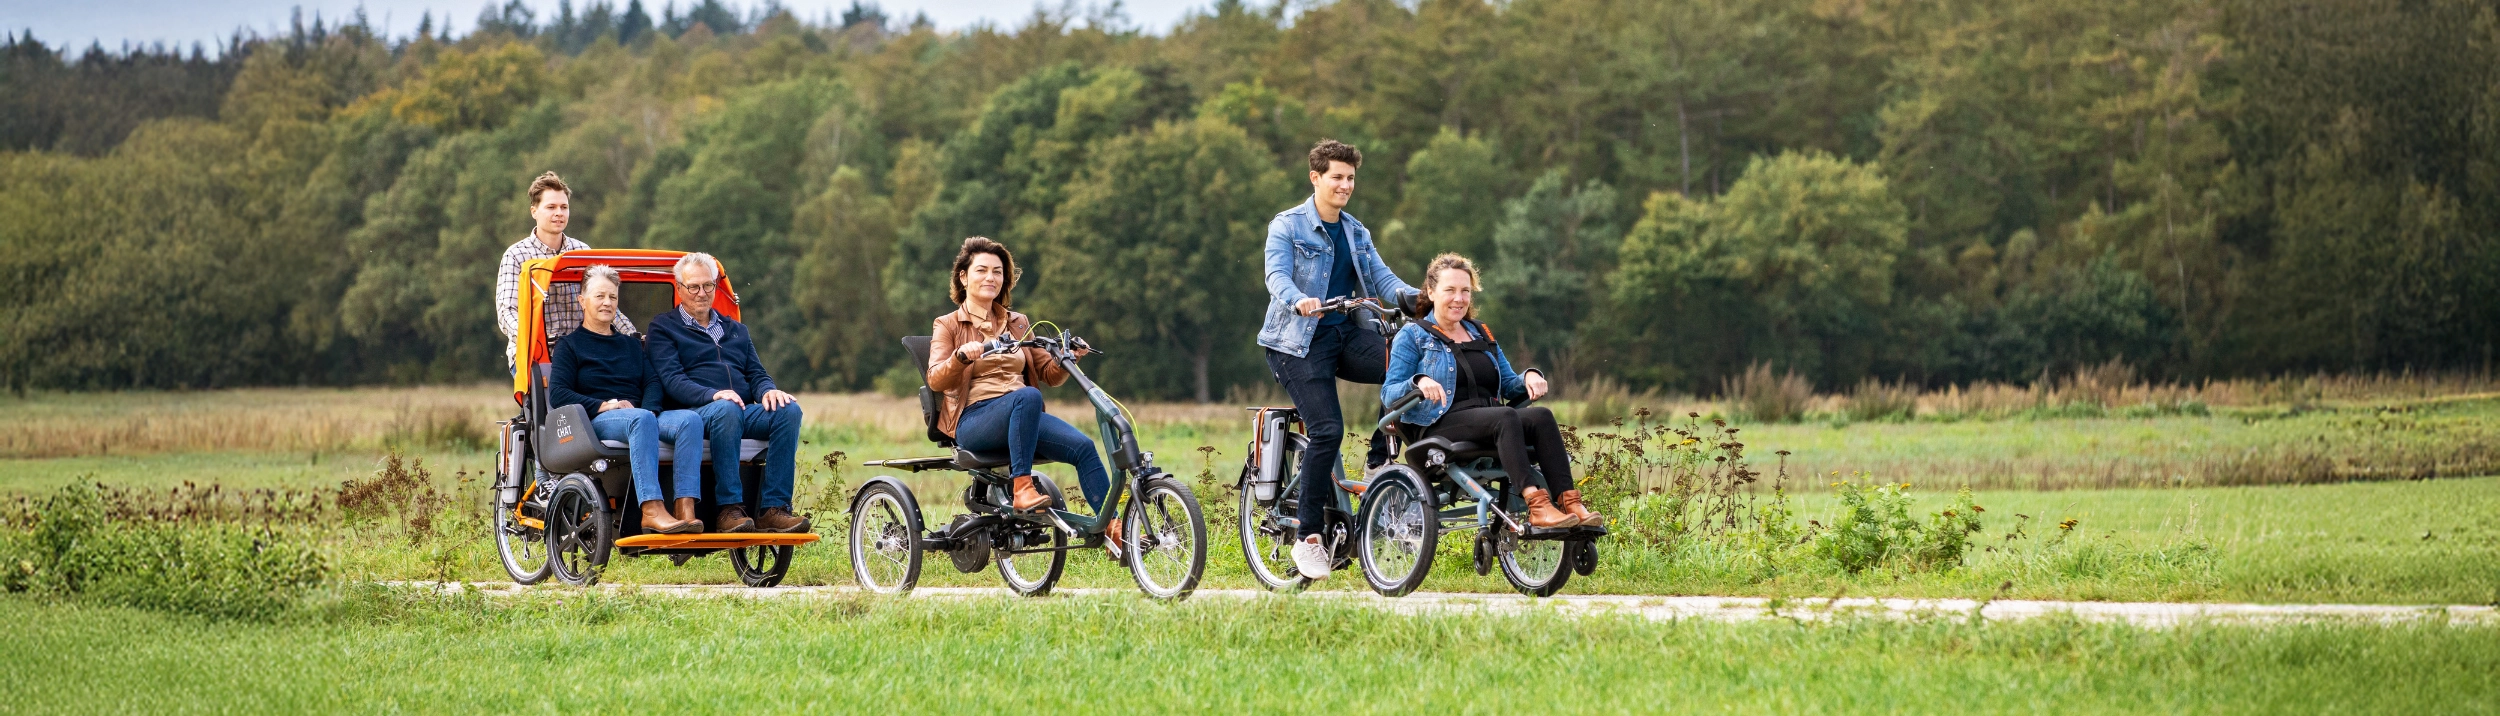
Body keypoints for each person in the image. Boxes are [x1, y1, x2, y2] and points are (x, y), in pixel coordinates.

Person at [1258, 139, 1418, 581]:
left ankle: (1379, 457)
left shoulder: (1356, 231)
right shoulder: (1287, 226)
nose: (1345, 185)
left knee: (1408, 368)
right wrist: (1299, 300)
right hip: (1296, 342)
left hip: (1347, 334)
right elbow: (1276, 276)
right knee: (1327, 429)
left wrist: (1416, 299)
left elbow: (1383, 277)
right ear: (1316, 177)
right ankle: (1307, 538)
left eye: (1350, 178)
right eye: (1337, 177)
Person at [1382, 254, 1604, 531]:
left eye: (1465, 291)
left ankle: (1571, 503)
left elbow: (1509, 383)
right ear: (1431, 292)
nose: (1459, 299)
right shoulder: (1413, 335)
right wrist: (1418, 381)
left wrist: (1530, 376)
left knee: (1542, 417)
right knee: (1506, 417)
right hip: (1439, 424)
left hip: (1488, 419)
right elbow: (1389, 395)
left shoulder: (1480, 333)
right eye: (1450, 290)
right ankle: (1538, 505)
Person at [923, 238, 1118, 554]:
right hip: (975, 421)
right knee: (1027, 397)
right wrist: (960, 356)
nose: (991, 278)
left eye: (997, 272)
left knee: (1083, 447)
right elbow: (934, 378)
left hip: (1023, 416)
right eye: (982, 270)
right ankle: (1022, 488)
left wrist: (1068, 357)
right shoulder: (948, 324)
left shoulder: (1018, 322)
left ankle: (1112, 528)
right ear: (963, 277)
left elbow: (1050, 376)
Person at [644, 253, 807, 534]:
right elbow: (672, 380)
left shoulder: (736, 330)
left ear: (716, 286)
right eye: (693, 287)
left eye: (708, 286)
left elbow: (757, 374)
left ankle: (774, 509)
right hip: (692, 412)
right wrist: (714, 395)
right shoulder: (664, 328)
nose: (701, 293)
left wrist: (768, 391)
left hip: (737, 409)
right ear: (679, 288)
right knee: (727, 409)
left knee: (788, 410)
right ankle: (729, 508)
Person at [545, 265, 707, 534]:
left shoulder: (632, 344)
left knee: (690, 420)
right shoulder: (569, 345)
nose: (607, 302)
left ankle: (685, 508)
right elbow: (559, 393)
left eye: (612, 297)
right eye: (599, 296)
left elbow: (652, 382)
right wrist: (604, 405)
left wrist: (650, 411)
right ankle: (651, 509)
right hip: (597, 419)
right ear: (582, 301)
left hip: (639, 416)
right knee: (639, 420)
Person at [497, 171, 634, 369]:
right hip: (535, 356)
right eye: (551, 207)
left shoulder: (583, 252)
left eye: (564, 207)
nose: (559, 213)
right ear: (534, 211)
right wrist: (532, 337)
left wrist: (633, 336)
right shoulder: (516, 255)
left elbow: (604, 301)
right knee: (553, 395)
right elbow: (507, 312)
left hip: (582, 352)